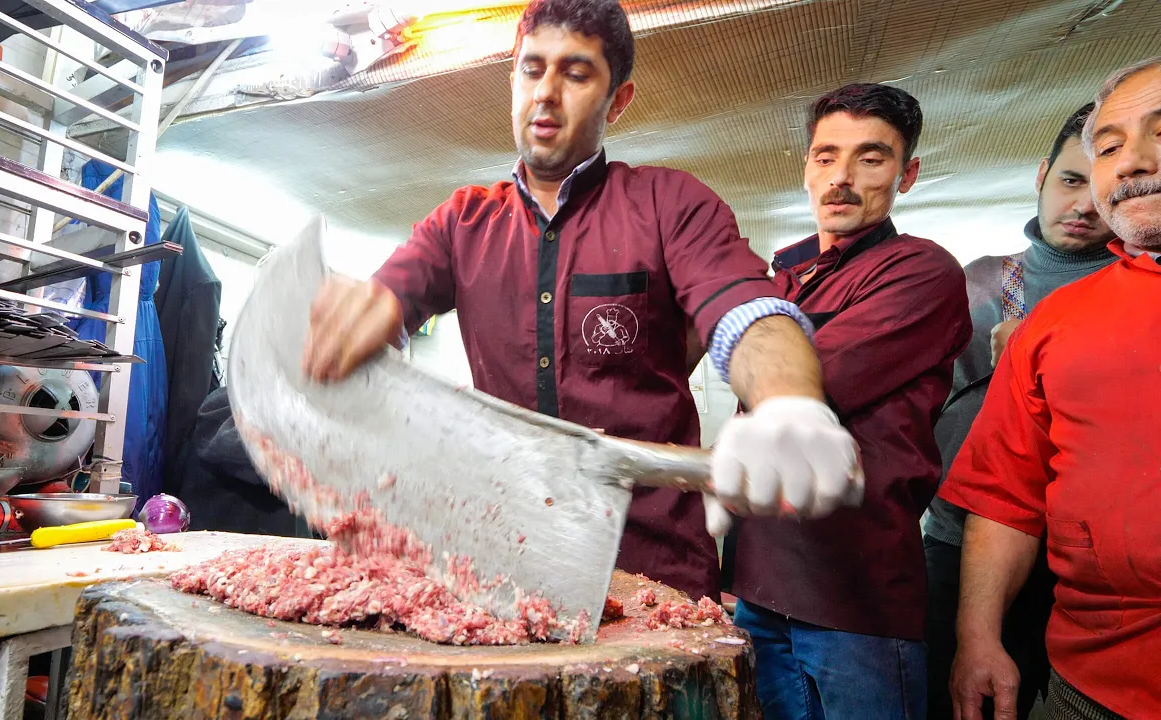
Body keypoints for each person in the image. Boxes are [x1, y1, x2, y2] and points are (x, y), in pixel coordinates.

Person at [301, 0, 863, 604]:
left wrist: (788, 403)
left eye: (575, 73)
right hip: (504, 568)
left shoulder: (669, 204)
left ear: (617, 100)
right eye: (530, 69)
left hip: (653, 572)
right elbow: (383, 306)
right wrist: (352, 336)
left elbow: (745, 312)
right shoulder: (460, 223)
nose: (545, 93)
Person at [720, 83, 971, 720]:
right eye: (826, 157)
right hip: (759, 588)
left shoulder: (920, 272)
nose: (842, 179)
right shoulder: (789, 276)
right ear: (806, 166)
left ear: (907, 174)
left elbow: (802, 383)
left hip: (852, 603)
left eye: (872, 158)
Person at [940, 56, 1161, 720]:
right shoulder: (1052, 318)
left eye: (1159, 132)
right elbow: (1006, 492)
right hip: (1087, 682)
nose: (1130, 162)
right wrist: (977, 635)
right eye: (1110, 147)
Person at [922, 103, 1117, 720]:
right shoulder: (979, 282)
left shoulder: (1135, 293)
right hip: (956, 538)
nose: (1082, 204)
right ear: (1039, 176)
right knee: (940, 693)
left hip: (1079, 561)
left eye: (1098, 186)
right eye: (1069, 180)